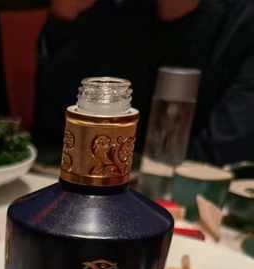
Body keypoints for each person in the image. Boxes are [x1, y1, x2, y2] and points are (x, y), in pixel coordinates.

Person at [33, 0, 254, 166]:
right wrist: (65, 18)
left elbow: (226, 149)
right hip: (109, 185)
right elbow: (59, 133)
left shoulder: (242, 22)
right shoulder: (117, 12)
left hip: (199, 195)